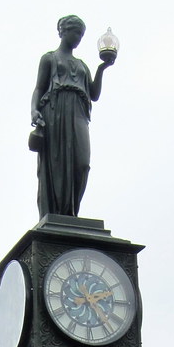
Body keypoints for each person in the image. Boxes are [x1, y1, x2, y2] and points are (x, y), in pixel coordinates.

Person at [31, 15, 116, 218]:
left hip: (78, 114)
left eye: (81, 34)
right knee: (57, 162)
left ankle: (71, 215)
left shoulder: (82, 66)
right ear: (63, 32)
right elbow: (38, 88)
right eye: (75, 32)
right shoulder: (49, 58)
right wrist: (34, 110)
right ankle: (57, 215)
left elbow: (93, 94)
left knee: (82, 163)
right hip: (55, 113)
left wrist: (102, 68)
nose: (78, 37)